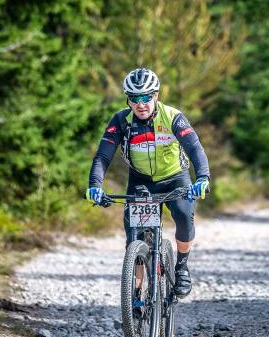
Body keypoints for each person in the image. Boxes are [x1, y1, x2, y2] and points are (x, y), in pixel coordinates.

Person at [85, 68, 210, 298]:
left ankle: (181, 267)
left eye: (146, 97)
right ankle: (135, 292)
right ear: (128, 100)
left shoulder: (173, 117)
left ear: (156, 96)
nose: (141, 104)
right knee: (136, 237)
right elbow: (103, 156)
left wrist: (202, 177)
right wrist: (95, 185)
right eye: (134, 98)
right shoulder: (121, 120)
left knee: (183, 216)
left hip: (175, 178)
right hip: (141, 181)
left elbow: (195, 148)